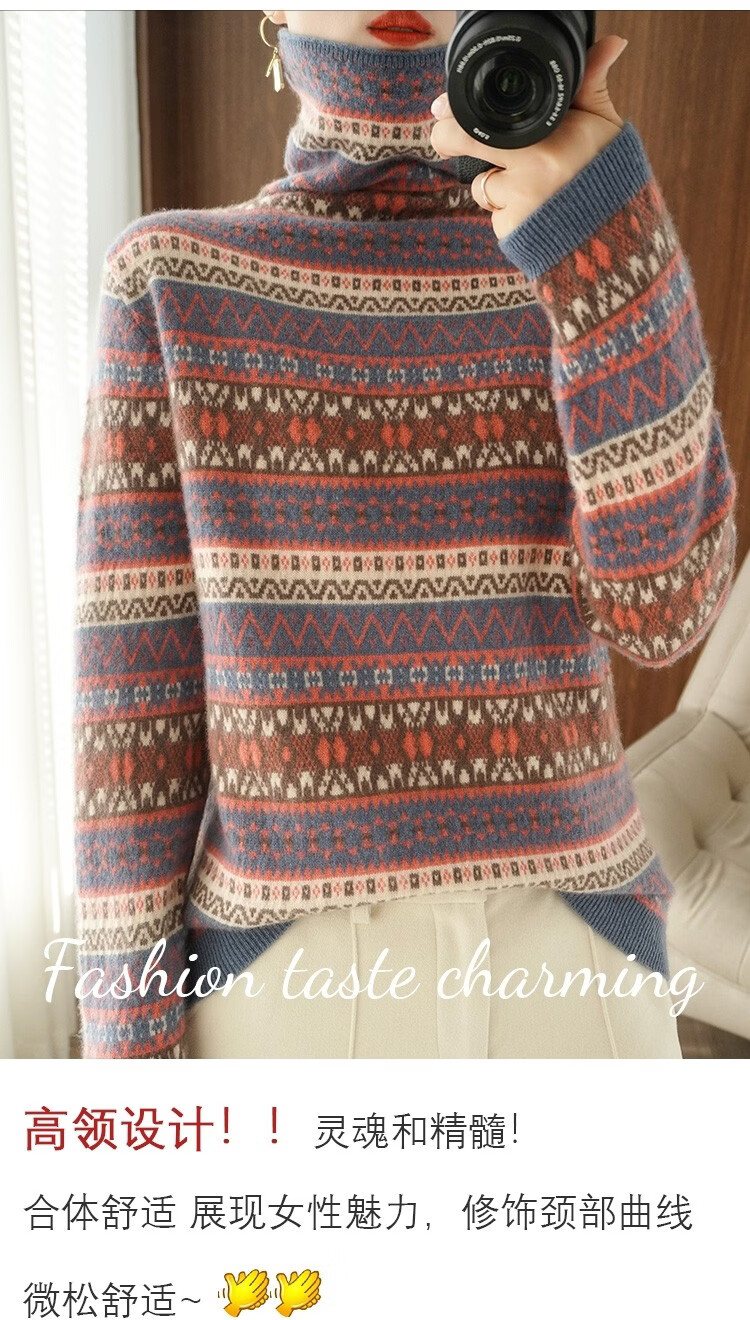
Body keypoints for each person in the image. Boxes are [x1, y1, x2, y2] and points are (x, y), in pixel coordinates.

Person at [72, 10, 737, 1059]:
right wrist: (126, 1038)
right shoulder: (172, 276)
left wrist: (611, 250)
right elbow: (133, 698)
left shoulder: (577, 252)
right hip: (286, 981)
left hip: (577, 960)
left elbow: (665, 611)